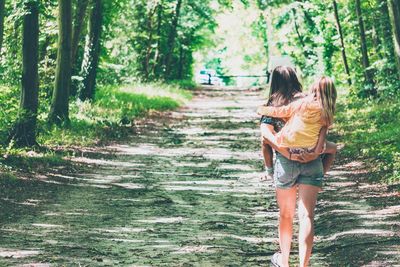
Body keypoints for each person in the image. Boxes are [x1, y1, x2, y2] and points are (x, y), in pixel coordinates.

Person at [259, 66, 330, 267]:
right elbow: (322, 126)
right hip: (312, 159)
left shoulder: (273, 104)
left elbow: (266, 135)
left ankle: (285, 261)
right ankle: (303, 265)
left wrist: (284, 153)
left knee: (286, 214)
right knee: (307, 215)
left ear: (274, 81)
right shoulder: (308, 100)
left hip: (286, 163)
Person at [258, 76, 338, 174]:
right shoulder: (327, 111)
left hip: (289, 144)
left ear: (312, 89)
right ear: (332, 93)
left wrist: (262, 110)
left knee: (270, 136)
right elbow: (323, 131)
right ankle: (321, 175)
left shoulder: (302, 103)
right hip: (310, 146)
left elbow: (282, 111)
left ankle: (270, 171)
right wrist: (316, 152)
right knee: (333, 147)